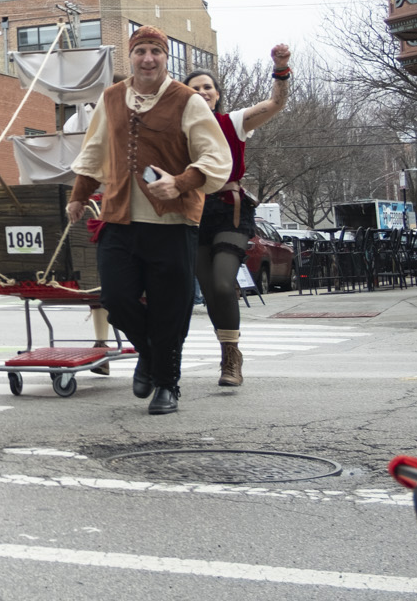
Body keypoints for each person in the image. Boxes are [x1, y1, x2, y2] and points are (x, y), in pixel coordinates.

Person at [65, 28, 231, 416]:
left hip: (173, 222)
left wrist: (181, 182)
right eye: (140, 51)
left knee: (170, 308)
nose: (148, 58)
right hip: (119, 216)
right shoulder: (111, 97)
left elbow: (215, 156)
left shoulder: (188, 100)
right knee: (116, 299)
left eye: (156, 51)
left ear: (166, 57)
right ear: (131, 56)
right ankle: (151, 355)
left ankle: (167, 385)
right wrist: (78, 195)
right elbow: (95, 149)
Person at [185, 44, 293, 389]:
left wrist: (281, 68)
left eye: (208, 87)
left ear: (217, 94)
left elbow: (276, 103)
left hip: (229, 210)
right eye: (194, 88)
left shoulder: (232, 122)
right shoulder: (177, 131)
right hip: (193, 210)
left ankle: (232, 356)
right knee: (208, 289)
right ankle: (225, 350)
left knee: (221, 282)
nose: (202, 92)